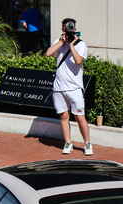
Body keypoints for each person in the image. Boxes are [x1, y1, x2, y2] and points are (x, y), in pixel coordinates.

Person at [45, 18, 92, 156]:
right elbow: (48, 53)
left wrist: (71, 44)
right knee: (64, 116)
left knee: (79, 117)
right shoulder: (59, 42)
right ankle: (68, 142)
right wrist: (62, 41)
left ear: (75, 30)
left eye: (69, 29)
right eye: (64, 29)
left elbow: (78, 61)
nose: (67, 31)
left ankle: (87, 143)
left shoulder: (81, 44)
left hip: (75, 88)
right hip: (59, 87)